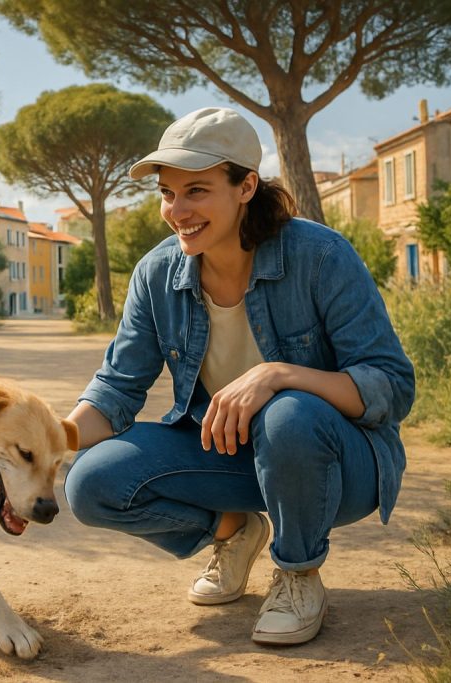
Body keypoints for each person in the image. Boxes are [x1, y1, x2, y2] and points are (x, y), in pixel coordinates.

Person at [63, 107, 415, 646]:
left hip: (339, 466)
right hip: (234, 459)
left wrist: (278, 374)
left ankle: (298, 574)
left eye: (197, 190)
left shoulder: (320, 256)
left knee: (289, 412)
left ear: (246, 185)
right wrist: (49, 436)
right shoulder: (156, 274)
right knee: (91, 483)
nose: (176, 210)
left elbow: (390, 385)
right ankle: (236, 529)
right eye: (166, 193)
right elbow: (116, 388)